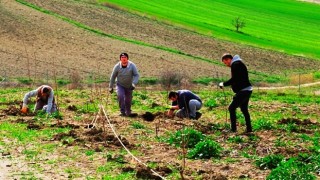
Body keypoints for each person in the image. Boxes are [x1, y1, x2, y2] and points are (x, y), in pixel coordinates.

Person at [219, 53, 253, 133]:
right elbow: (238, 78)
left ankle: (233, 129)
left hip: (243, 90)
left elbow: (234, 79)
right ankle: (249, 129)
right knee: (244, 109)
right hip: (247, 89)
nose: (226, 64)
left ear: (228, 59)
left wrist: (223, 84)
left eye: (225, 62)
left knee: (231, 108)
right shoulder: (238, 63)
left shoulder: (235, 64)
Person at [109, 52, 140, 117]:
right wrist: (110, 87)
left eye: (125, 57)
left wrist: (134, 84)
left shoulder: (132, 65)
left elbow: (136, 75)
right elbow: (113, 76)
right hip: (120, 84)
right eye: (122, 58)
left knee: (128, 100)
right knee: (120, 96)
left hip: (129, 85)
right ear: (120, 59)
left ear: (127, 59)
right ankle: (122, 111)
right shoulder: (117, 66)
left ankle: (128, 112)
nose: (123, 59)